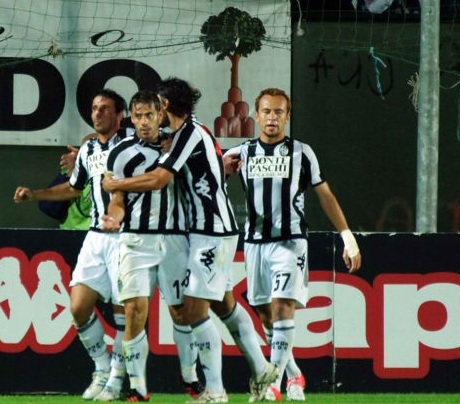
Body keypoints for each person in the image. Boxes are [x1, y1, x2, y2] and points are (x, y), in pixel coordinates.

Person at [102, 77, 279, 403]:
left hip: (210, 230)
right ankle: (262, 368)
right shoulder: (187, 133)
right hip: (207, 230)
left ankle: (215, 390)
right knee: (224, 305)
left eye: (156, 106)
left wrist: (117, 184)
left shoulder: (188, 134)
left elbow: (159, 179)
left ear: (165, 105)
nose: (152, 114)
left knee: (195, 311)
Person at [223, 88, 362, 402]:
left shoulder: (302, 152)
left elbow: (325, 195)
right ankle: (294, 374)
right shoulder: (242, 153)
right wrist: (221, 169)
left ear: (287, 116)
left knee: (282, 306)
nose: (272, 118)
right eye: (267, 111)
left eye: (279, 112)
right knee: (265, 314)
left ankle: (271, 384)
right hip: (255, 243)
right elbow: (211, 179)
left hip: (291, 242)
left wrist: (347, 236)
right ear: (256, 115)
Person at [14, 89, 132, 401]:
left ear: (120, 115)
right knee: (78, 306)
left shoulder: (133, 143)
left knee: (124, 311)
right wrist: (35, 194)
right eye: (94, 108)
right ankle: (102, 367)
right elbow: (73, 188)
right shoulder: (89, 149)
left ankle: (117, 379)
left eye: (105, 108)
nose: (98, 113)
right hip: (96, 236)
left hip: (126, 236)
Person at [101, 90, 200, 402]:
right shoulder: (120, 153)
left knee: (181, 311)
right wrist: (114, 218)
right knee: (134, 312)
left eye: (149, 115)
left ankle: (190, 378)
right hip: (136, 240)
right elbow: (117, 200)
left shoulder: (179, 144)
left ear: (160, 115)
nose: (143, 122)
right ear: (131, 118)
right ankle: (137, 387)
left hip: (174, 238)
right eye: (138, 116)